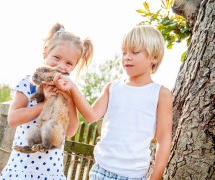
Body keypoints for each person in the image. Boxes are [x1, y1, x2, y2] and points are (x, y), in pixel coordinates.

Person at [52, 25, 173, 179]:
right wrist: (73, 88)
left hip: (133, 176)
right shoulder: (113, 88)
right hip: (100, 171)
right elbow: (91, 116)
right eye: (124, 52)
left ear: (154, 57)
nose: (127, 57)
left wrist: (156, 177)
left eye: (135, 52)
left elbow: (163, 140)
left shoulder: (161, 94)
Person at [0, 23, 94, 180]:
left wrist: (69, 98)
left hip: (50, 173)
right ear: (45, 52)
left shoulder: (68, 92)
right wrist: (44, 104)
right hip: (20, 171)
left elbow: (70, 131)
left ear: (74, 66)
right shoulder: (28, 83)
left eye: (69, 63)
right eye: (56, 58)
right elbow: (12, 119)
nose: (61, 66)